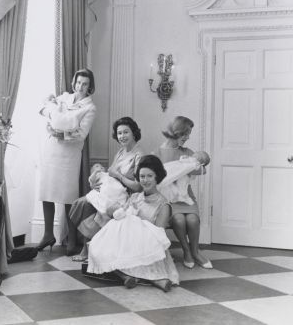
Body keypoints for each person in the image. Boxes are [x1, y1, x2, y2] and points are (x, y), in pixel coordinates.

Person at [87, 155, 179, 292]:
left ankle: (151, 279)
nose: (145, 180)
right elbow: (121, 217)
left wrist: (135, 223)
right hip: (129, 242)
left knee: (125, 256)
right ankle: (126, 276)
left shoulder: (164, 205)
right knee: (97, 248)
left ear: (157, 177)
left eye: (149, 176)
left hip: (149, 246)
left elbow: (158, 236)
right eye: (142, 176)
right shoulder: (135, 197)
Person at [37, 69, 96, 253]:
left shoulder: (90, 108)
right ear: (74, 83)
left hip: (69, 155)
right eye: (78, 82)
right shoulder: (63, 98)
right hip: (51, 150)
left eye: (85, 84)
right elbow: (45, 110)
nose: (80, 87)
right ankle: (48, 234)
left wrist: (60, 132)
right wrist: (52, 117)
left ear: (90, 87)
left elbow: (81, 134)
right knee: (47, 192)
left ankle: (71, 237)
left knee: (68, 196)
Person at [69, 116, 144, 260]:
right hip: (110, 191)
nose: (122, 136)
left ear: (134, 132)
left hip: (127, 197)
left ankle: (88, 249)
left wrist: (119, 176)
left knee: (87, 205)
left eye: (125, 132)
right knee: (80, 203)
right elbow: (109, 175)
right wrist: (94, 184)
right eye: (119, 133)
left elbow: (139, 187)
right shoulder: (121, 152)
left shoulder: (139, 155)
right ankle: (88, 246)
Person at [158, 116, 212, 269]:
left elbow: (203, 169)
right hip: (168, 198)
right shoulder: (158, 152)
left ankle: (196, 252)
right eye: (185, 134)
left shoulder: (187, 152)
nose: (187, 138)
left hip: (186, 196)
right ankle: (186, 251)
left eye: (188, 135)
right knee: (179, 220)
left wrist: (189, 166)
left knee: (193, 220)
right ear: (176, 132)